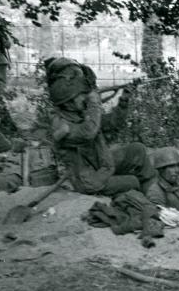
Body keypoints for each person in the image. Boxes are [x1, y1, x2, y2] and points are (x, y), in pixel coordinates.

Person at [48, 63, 156, 196]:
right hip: (89, 180)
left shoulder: (80, 114)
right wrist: (94, 104)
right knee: (133, 181)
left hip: (101, 166)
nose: (85, 97)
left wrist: (123, 101)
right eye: (81, 95)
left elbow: (113, 124)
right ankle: (148, 201)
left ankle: (155, 198)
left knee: (137, 150)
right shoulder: (60, 124)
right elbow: (88, 133)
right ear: (67, 101)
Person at [146, 147, 179, 214]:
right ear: (161, 169)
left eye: (178, 166)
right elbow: (160, 217)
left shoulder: (178, 186)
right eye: (171, 166)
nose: (176, 170)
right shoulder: (155, 191)